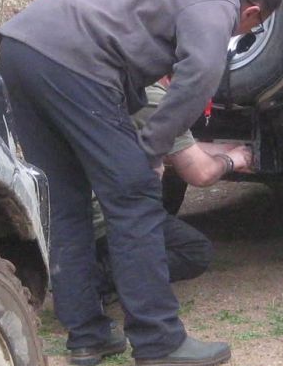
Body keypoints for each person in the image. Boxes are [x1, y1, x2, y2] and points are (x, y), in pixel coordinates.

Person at [0, 0, 281, 366]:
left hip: (21, 49)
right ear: (252, 11)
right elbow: (198, 78)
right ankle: (158, 339)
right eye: (249, 28)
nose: (240, 32)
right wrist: (150, 150)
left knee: (65, 200)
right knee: (133, 195)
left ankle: (87, 335)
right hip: (73, 61)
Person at [93, 80, 257, 299]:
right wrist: (232, 160)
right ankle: (96, 279)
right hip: (108, 215)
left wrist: (223, 149)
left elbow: (174, 146)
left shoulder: (123, 83)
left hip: (82, 208)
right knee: (194, 251)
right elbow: (201, 173)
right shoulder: (151, 97)